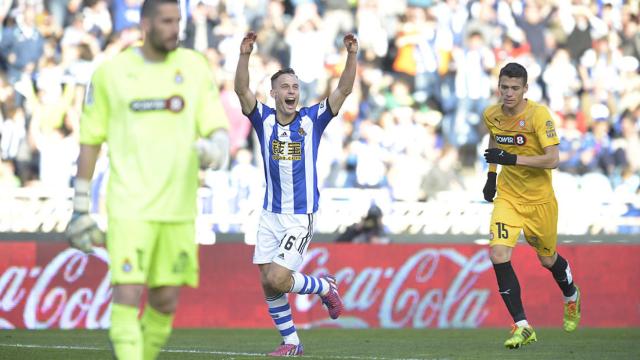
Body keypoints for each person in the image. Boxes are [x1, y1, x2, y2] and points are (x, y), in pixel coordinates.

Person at [64, 0, 230, 359]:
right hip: (129, 205)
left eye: (178, 21)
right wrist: (79, 208)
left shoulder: (195, 67)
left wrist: (216, 147)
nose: (175, 29)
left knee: (166, 301)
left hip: (179, 208)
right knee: (126, 291)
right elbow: (90, 142)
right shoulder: (112, 74)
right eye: (167, 22)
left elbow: (217, 128)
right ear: (145, 24)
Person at [234, 31, 358, 356]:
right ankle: (292, 343)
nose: (292, 91)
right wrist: (244, 55)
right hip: (269, 214)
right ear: (273, 93)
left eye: (295, 87)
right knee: (267, 281)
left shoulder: (312, 119)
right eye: (285, 87)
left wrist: (352, 55)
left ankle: (323, 286)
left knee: (278, 278)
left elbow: (344, 89)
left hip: (299, 217)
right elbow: (241, 90)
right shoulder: (262, 119)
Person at [482, 62, 582, 349]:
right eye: (504, 87)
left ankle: (571, 294)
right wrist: (491, 175)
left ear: (525, 89)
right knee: (498, 253)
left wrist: (511, 159)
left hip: (540, 202)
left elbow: (553, 159)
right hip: (508, 197)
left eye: (515, 88)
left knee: (547, 260)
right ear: (498, 86)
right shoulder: (492, 114)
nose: (508, 93)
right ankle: (522, 325)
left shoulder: (539, 115)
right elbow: (495, 137)